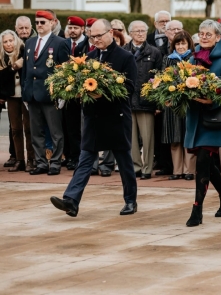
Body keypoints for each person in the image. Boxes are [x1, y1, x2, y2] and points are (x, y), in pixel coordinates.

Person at [50, 19, 138, 217]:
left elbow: (130, 88)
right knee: (85, 159)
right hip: (93, 117)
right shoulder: (88, 58)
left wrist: (104, 93)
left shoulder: (126, 57)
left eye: (99, 36)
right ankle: (71, 200)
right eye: (92, 36)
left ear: (111, 33)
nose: (95, 40)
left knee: (124, 161)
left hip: (116, 117)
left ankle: (130, 200)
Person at [184, 20, 221, 227]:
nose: (204, 37)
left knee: (203, 162)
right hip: (196, 116)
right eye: (201, 33)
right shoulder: (192, 57)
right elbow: (184, 83)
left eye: (209, 34)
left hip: (215, 118)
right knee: (206, 162)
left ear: (217, 37)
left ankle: (197, 210)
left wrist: (212, 99)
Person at [21, 11, 70, 175]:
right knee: (36, 132)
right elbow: (26, 70)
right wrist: (25, 93)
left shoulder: (60, 42)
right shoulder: (30, 42)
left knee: (55, 132)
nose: (39, 25)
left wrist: (62, 93)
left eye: (43, 22)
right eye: (37, 22)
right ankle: (41, 162)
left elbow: (65, 70)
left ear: (52, 23)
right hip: (33, 94)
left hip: (51, 94)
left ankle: (55, 163)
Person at [123, 21, 163, 179]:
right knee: (130, 138)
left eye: (143, 31)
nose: (140, 33)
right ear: (130, 33)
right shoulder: (124, 50)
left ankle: (147, 168)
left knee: (148, 138)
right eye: (137, 31)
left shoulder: (154, 52)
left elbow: (159, 79)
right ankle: (135, 166)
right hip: (127, 101)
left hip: (146, 101)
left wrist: (158, 103)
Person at [162, 31, 196, 181]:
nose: (181, 46)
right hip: (172, 103)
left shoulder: (194, 58)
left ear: (189, 44)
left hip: (189, 103)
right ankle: (177, 170)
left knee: (188, 137)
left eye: (183, 43)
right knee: (175, 137)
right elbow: (162, 80)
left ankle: (189, 170)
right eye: (178, 43)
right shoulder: (168, 59)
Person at [0, 30, 34, 171]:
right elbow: (2, 78)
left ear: (15, 40)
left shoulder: (24, 52)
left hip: (25, 96)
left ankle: (31, 160)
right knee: (15, 129)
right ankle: (19, 159)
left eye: (10, 40)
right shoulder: (2, 57)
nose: (9, 44)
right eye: (5, 42)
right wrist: (14, 67)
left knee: (28, 128)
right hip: (12, 97)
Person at [153, 20, 183, 177]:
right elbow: (158, 77)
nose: (176, 31)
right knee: (167, 133)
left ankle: (186, 168)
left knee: (182, 134)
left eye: (179, 28)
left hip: (183, 98)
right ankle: (167, 165)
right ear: (166, 31)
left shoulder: (189, 51)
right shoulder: (160, 50)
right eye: (173, 29)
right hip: (167, 99)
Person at [63, 16, 87, 171]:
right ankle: (72, 156)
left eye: (75, 28)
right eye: (70, 28)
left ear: (82, 29)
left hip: (86, 91)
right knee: (70, 125)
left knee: (84, 127)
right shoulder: (63, 44)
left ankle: (82, 157)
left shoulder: (87, 45)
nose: (72, 31)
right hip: (68, 92)